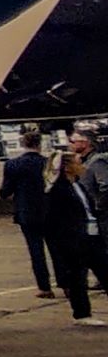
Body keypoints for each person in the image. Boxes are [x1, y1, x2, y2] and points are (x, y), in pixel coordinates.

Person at [47, 152, 107, 326]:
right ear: (67, 167)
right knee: (78, 278)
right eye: (78, 163)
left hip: (92, 235)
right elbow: (55, 219)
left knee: (105, 270)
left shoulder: (78, 185)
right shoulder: (59, 191)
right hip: (74, 240)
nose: (83, 167)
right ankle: (82, 314)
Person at [0, 129, 54, 298]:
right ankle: (66, 283)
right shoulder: (48, 164)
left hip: (27, 212)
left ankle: (44, 286)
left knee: (36, 251)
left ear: (23, 143)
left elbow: (5, 191)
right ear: (40, 144)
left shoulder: (12, 165)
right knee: (57, 249)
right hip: (50, 210)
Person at [68, 130, 108, 291]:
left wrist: (98, 206)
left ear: (85, 143)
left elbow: (105, 185)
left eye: (73, 141)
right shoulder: (83, 162)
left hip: (103, 212)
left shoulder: (97, 162)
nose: (70, 144)